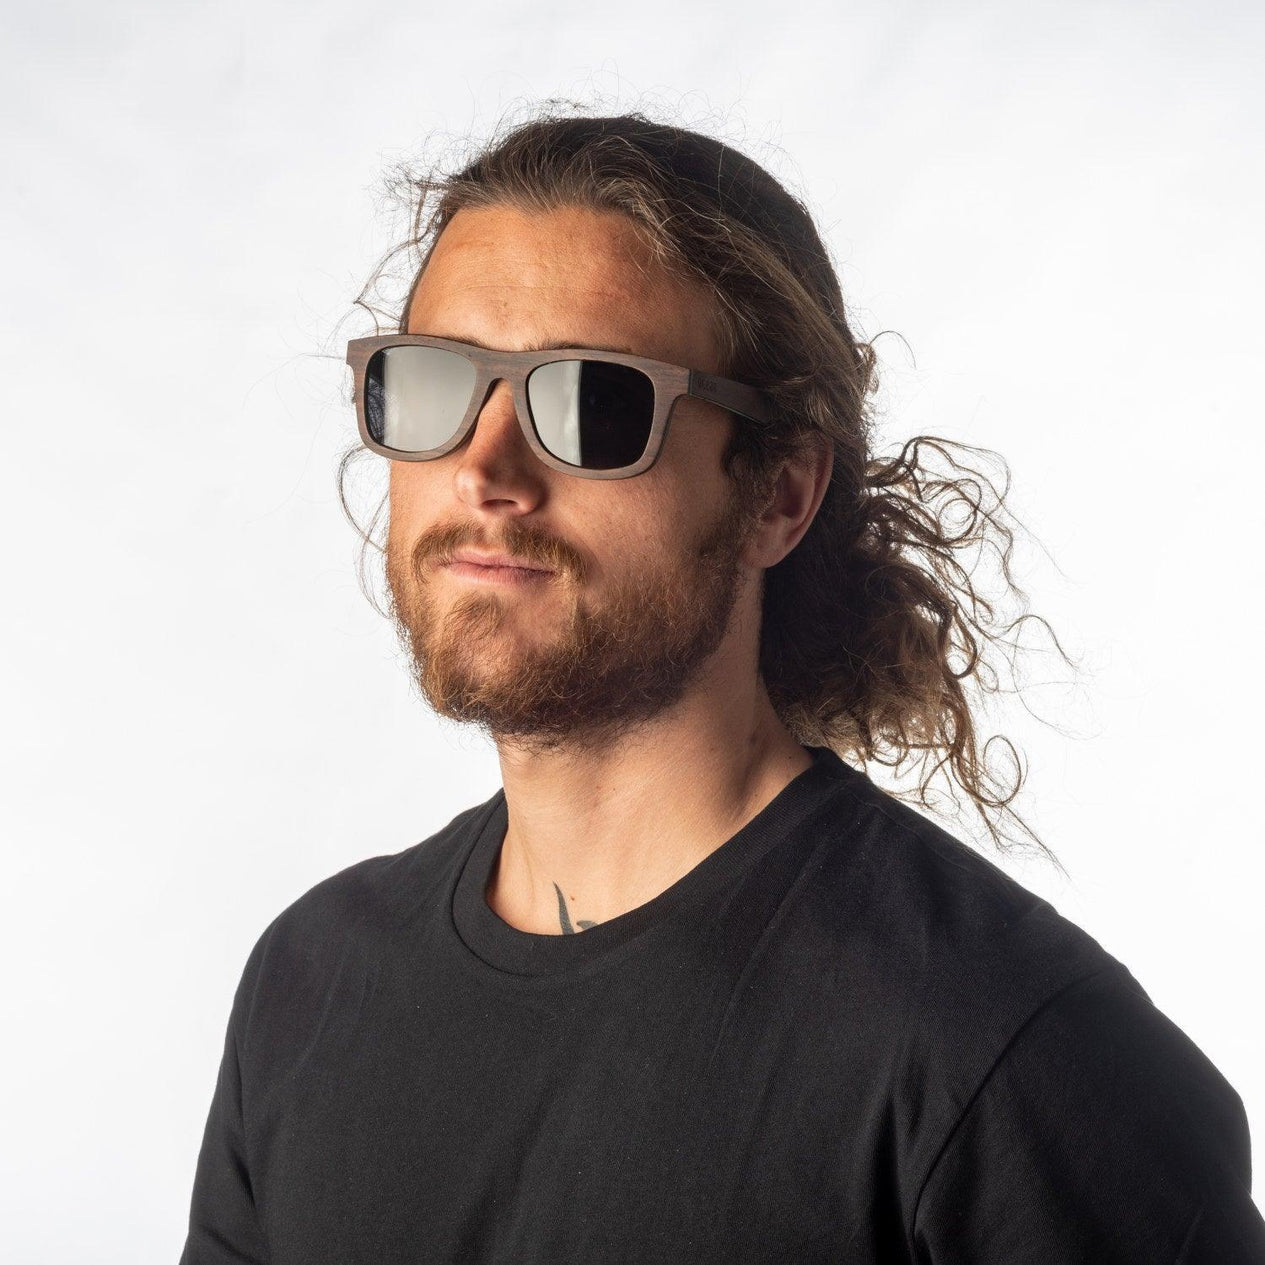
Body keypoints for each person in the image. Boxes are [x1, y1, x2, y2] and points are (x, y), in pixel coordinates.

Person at [179, 110, 1265, 1263]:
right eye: (431, 382)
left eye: (591, 402)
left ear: (776, 494)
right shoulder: (310, 984)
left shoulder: (1002, 1052)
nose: (483, 472)